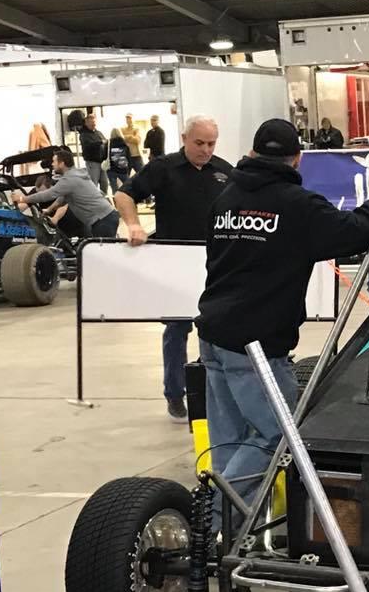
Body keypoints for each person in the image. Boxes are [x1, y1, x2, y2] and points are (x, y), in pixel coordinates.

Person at [195, 118, 369, 529]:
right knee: (276, 436)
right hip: (255, 344)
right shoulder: (297, 204)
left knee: (228, 441)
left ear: (251, 153)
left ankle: (220, 536)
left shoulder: (225, 197)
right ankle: (206, 524)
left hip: (213, 334)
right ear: (296, 158)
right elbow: (354, 232)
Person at [114, 115, 233, 423]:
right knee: (177, 330)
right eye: (199, 143)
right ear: (184, 138)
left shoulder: (223, 171)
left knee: (221, 330)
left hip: (216, 264)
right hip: (174, 265)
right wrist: (134, 225)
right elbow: (124, 194)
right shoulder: (163, 168)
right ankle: (175, 395)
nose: (206, 150)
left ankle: (217, 392)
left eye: (211, 143)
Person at [12, 150, 119, 237]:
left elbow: (48, 195)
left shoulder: (69, 179)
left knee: (104, 257)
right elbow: (62, 198)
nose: (52, 164)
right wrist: (50, 209)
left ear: (62, 163)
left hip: (103, 220)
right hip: (105, 217)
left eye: (54, 161)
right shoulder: (75, 174)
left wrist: (22, 198)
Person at [32, 173, 85, 238]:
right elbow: (23, 204)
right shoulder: (36, 191)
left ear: (51, 187)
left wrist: (54, 217)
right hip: (59, 229)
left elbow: (64, 205)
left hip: (76, 221)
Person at [78, 113, 108, 194]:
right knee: (93, 183)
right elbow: (88, 146)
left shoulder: (99, 133)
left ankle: (103, 201)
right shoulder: (84, 135)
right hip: (92, 162)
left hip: (102, 162)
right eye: (91, 122)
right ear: (86, 123)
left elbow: (105, 142)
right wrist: (100, 142)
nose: (93, 124)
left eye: (94, 122)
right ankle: (94, 201)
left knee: (104, 183)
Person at [107, 128, 131, 193]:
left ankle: (116, 202)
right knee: (128, 188)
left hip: (112, 170)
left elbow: (104, 156)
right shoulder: (124, 144)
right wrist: (128, 170)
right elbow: (129, 158)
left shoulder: (108, 144)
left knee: (114, 189)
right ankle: (127, 201)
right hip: (123, 169)